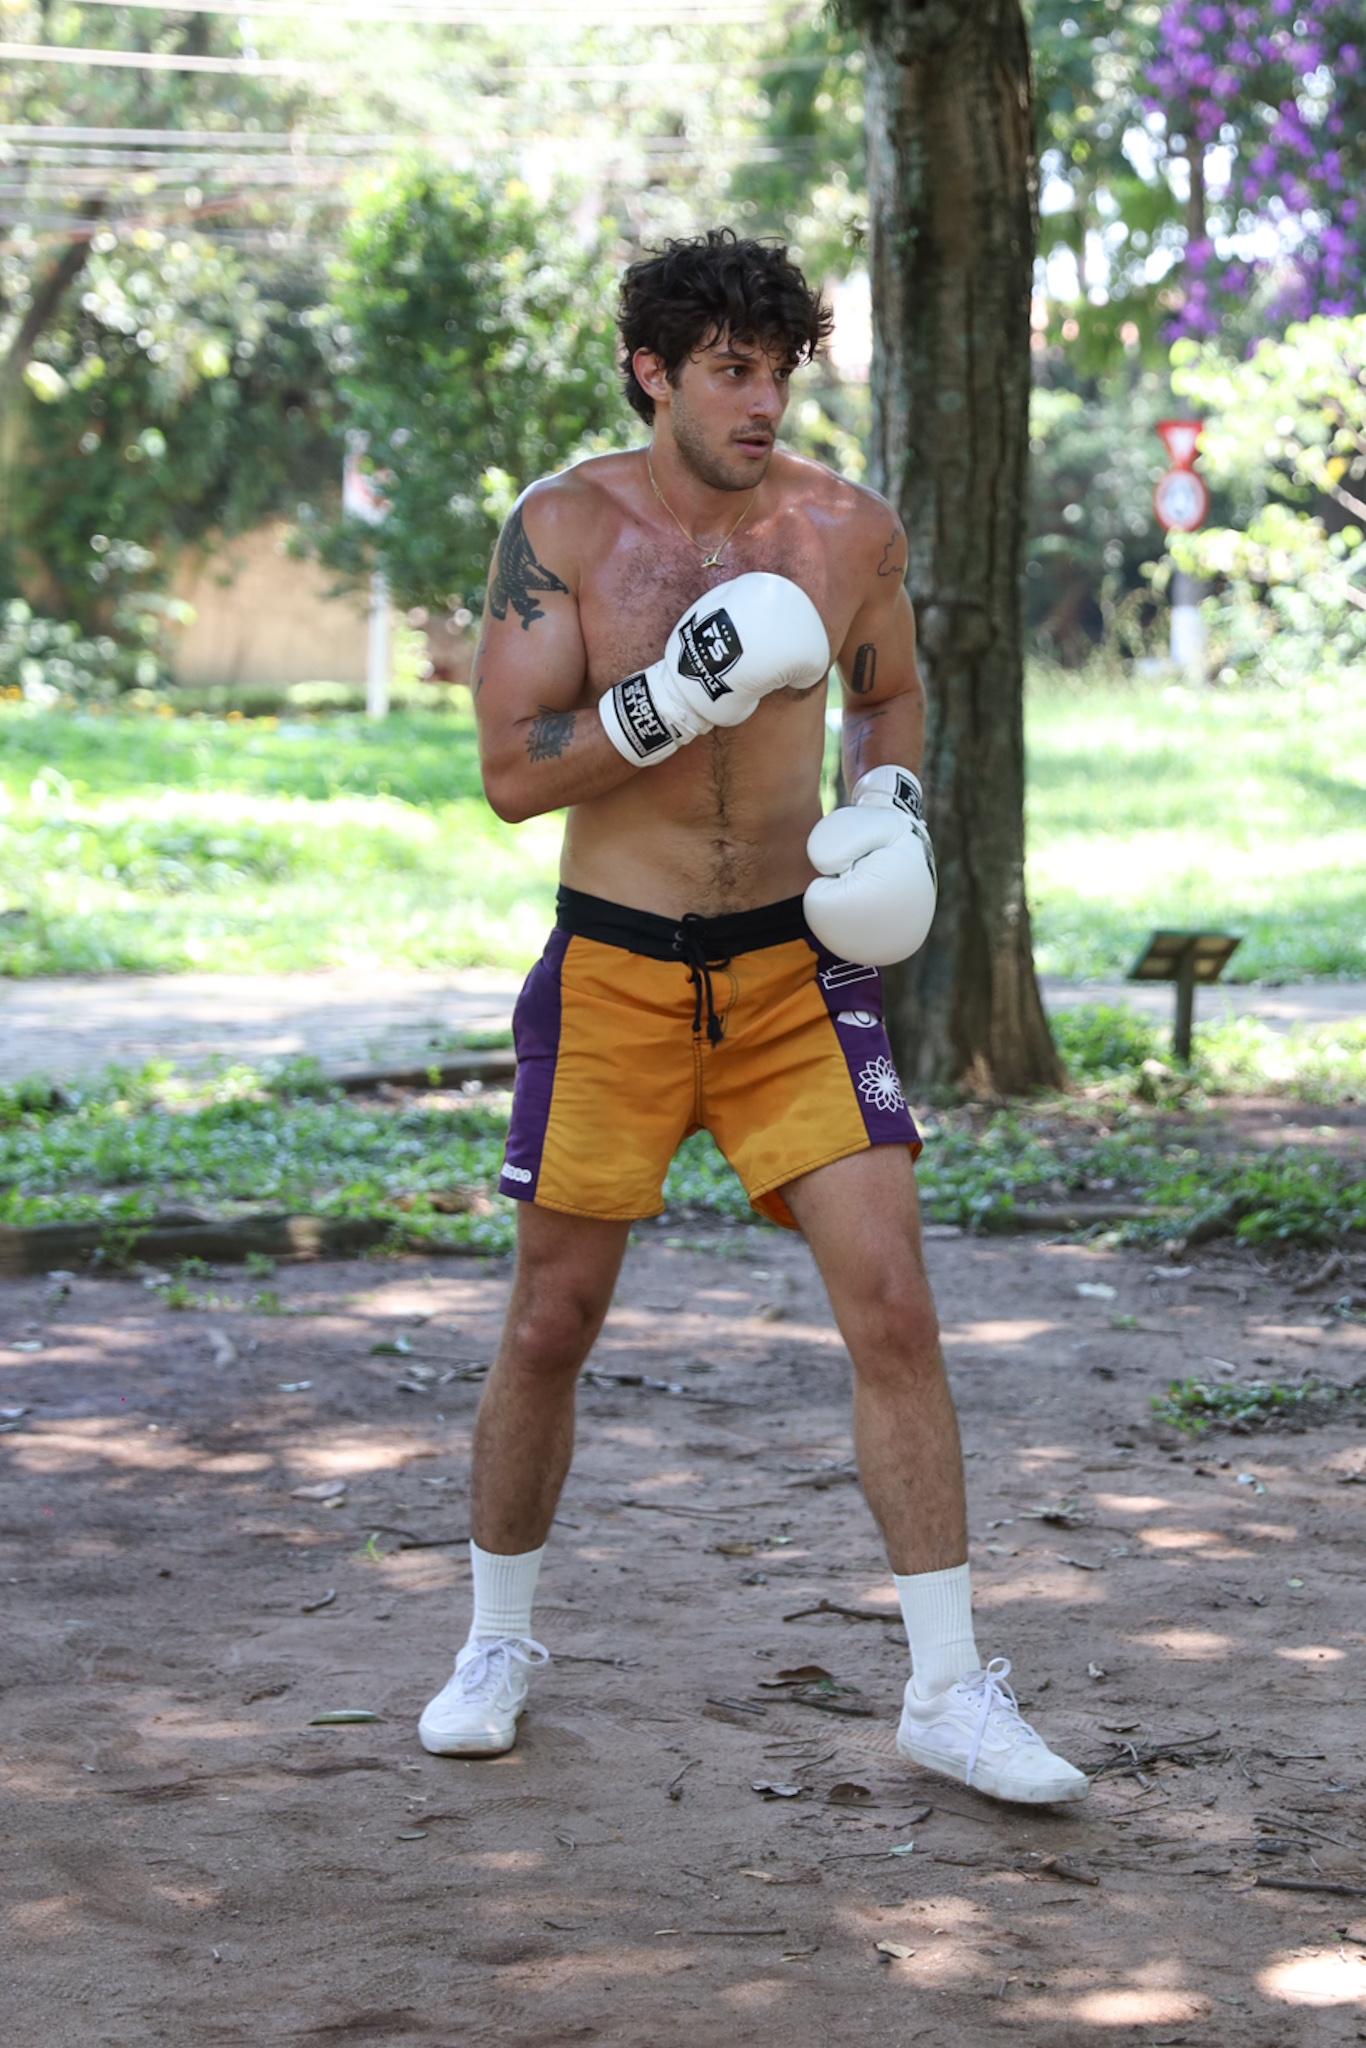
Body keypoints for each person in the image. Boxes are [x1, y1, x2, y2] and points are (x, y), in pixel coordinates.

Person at [418, 230, 1086, 1806]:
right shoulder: (566, 526)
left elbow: (888, 688)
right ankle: (497, 1640)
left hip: (796, 974)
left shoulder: (844, 527)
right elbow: (514, 773)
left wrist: (896, 809)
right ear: (652, 372)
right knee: (549, 1322)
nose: (763, 399)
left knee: (896, 1311)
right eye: (730, 368)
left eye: (779, 368)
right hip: (614, 976)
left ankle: (946, 1688)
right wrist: (666, 700)